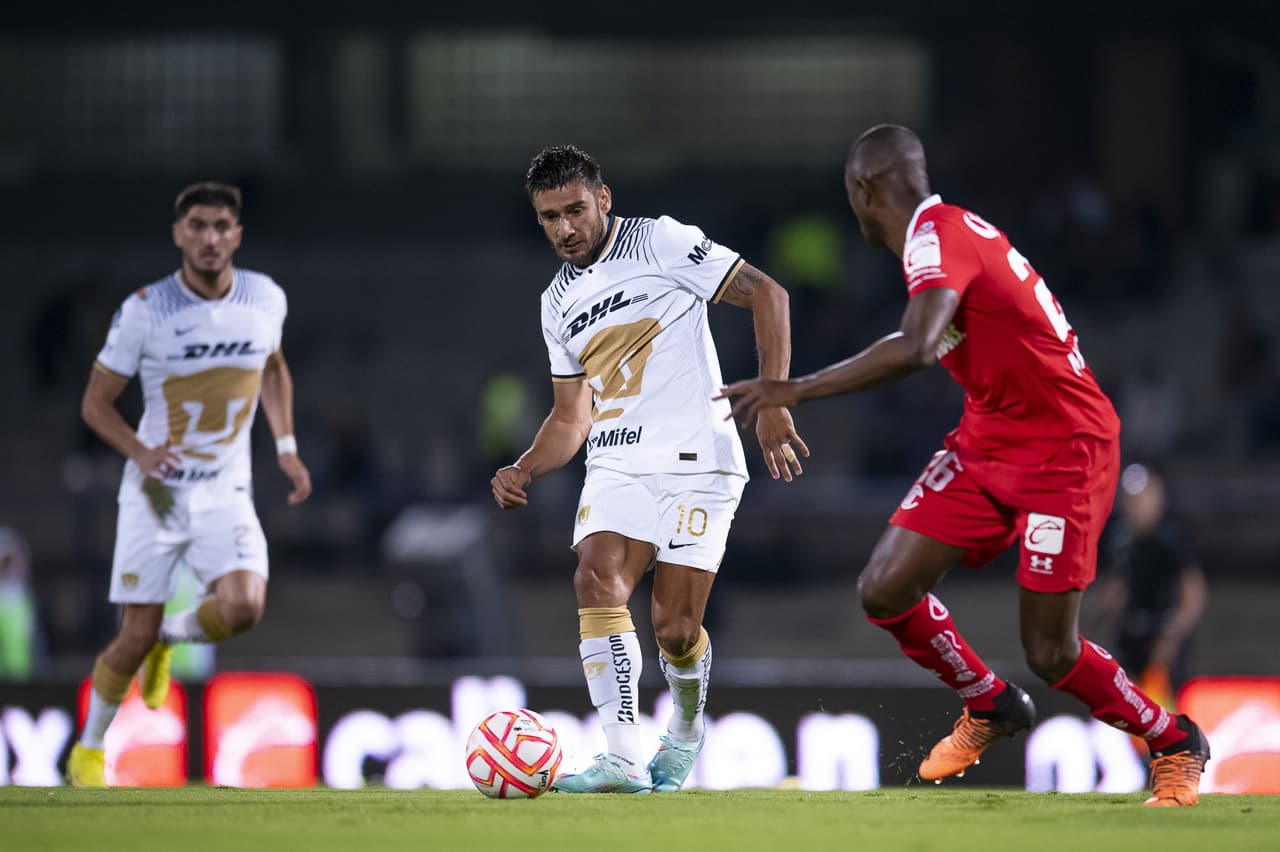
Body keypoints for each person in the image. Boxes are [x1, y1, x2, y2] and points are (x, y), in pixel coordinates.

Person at [718, 125, 1210, 807]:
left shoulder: (936, 236)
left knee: (1051, 653)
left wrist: (794, 388)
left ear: (863, 192)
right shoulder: (944, 236)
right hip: (990, 436)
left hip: (1065, 450)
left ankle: (1173, 740)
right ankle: (991, 703)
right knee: (884, 587)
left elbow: (918, 344)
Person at [491, 145, 807, 794]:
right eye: (548, 217)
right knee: (595, 577)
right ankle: (622, 756)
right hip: (617, 467)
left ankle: (686, 730)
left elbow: (767, 294)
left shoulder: (658, 241)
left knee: (675, 629)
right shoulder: (556, 302)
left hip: (699, 462)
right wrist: (525, 466)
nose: (564, 229)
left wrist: (774, 398)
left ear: (603, 201)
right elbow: (570, 419)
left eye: (575, 210)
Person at [67, 182, 312, 787]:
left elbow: (275, 367)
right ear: (179, 234)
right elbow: (96, 405)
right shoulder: (145, 310)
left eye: (221, 226)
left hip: (225, 487)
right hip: (154, 493)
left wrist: (285, 447)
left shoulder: (264, 298)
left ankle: (168, 643)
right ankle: (89, 752)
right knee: (132, 635)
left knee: (246, 604)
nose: (209, 237)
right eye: (197, 226)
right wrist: (139, 450)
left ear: (237, 235)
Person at [1097, 463, 1207, 709]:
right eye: (1132, 499)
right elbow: (1112, 588)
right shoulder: (1119, 540)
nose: (1138, 506)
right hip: (1128, 639)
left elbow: (1193, 592)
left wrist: (1172, 634)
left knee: (1164, 712)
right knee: (1127, 710)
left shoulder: (1172, 539)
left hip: (1163, 642)